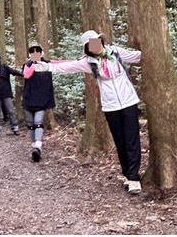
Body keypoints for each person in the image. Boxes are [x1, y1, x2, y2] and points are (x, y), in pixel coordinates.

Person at [33, 30, 143, 194]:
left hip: (129, 101)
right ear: (87, 48)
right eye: (91, 44)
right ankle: (127, 174)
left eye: (97, 41)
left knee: (131, 139)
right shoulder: (89, 62)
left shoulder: (116, 52)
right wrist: (46, 67)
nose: (95, 46)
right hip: (110, 105)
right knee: (120, 141)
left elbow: (137, 56)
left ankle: (134, 177)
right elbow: (67, 67)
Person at [20, 44, 56, 162]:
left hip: (42, 100)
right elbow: (26, 75)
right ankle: (34, 147)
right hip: (28, 99)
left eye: (37, 51)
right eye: (32, 52)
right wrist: (32, 64)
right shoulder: (27, 66)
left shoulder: (47, 65)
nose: (35, 53)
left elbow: (61, 64)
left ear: (41, 53)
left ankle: (38, 147)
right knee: (31, 124)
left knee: (38, 122)